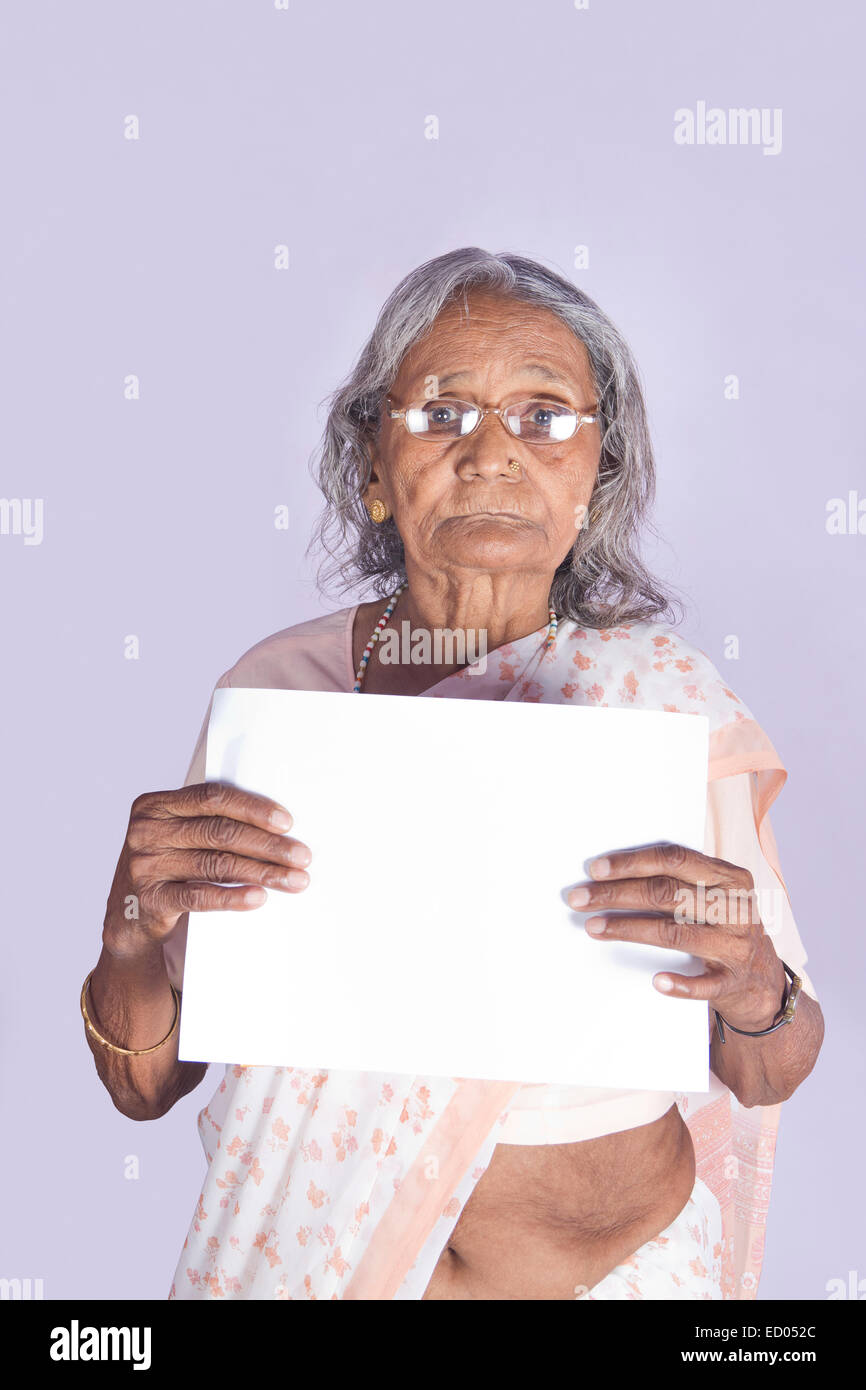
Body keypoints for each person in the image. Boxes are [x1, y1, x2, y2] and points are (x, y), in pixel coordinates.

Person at [83, 247, 823, 1300]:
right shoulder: (280, 692)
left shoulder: (658, 699)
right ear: (372, 466)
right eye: (438, 415)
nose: (489, 455)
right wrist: (128, 930)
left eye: (543, 415)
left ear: (594, 475)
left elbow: (764, 1064)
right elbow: (143, 1086)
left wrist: (755, 984)